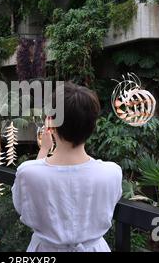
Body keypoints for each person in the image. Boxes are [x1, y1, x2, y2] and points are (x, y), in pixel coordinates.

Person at [11, 82, 122, 252]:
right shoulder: (111, 172)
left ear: (51, 123)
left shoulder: (28, 172)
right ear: (93, 126)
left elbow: (22, 206)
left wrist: (44, 150)